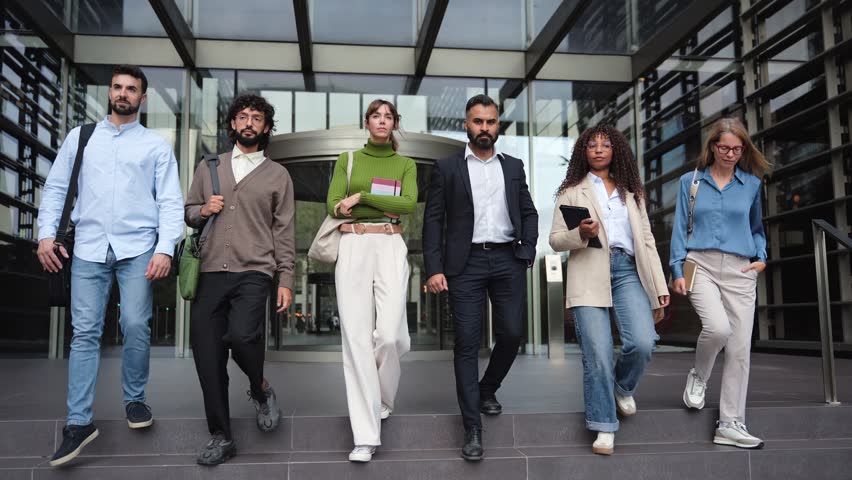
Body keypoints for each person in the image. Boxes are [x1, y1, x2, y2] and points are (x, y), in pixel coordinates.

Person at [37, 65, 184, 467]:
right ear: (110, 92)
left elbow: (170, 201)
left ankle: (135, 399)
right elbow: (55, 187)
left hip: (138, 248)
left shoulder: (155, 146)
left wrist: (165, 248)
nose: (122, 94)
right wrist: (45, 233)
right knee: (84, 332)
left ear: (143, 97)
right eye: (117, 87)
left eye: (131, 89)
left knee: (135, 324)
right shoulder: (81, 138)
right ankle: (79, 422)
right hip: (86, 248)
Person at [422, 94, 538, 461]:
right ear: (466, 125)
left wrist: (527, 249)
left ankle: (487, 388)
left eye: (490, 122)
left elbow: (529, 212)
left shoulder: (514, 166)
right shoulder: (447, 167)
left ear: (498, 124)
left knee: (512, 334)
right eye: (478, 122)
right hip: (465, 264)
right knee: (467, 344)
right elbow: (433, 221)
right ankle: (472, 425)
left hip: (507, 260)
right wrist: (434, 268)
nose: (484, 128)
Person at [184, 94, 295, 465]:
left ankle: (259, 388)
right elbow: (188, 212)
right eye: (243, 116)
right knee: (208, 357)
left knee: (244, 336)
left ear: (265, 127)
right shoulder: (209, 166)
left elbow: (284, 232)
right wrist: (202, 210)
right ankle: (222, 436)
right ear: (233, 124)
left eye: (257, 118)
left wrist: (286, 279)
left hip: (254, 271)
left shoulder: (278, 175)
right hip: (210, 271)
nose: (249, 122)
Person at [548, 125, 669, 455]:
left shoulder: (632, 192)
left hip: (628, 270)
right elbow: (556, 239)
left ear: (616, 150)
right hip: (589, 269)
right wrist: (582, 233)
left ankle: (622, 386)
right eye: (592, 145)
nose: (599, 149)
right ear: (583, 152)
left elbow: (646, 240)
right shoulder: (571, 191)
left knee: (643, 341)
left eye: (605, 144)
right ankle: (603, 425)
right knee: (598, 355)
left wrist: (659, 284)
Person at [670, 117, 769, 449]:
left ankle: (729, 423)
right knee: (717, 328)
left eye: (737, 149)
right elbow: (680, 226)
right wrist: (676, 270)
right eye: (724, 147)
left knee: (740, 349)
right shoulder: (691, 182)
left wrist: (761, 257)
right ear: (712, 146)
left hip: (742, 269)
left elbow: (756, 227)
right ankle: (699, 375)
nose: (730, 154)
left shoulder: (752, 185)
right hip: (702, 264)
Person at [326, 99, 416, 463]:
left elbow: (409, 205)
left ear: (395, 123)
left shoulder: (405, 164)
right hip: (353, 245)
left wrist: (362, 196)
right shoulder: (347, 160)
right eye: (376, 116)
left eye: (388, 116)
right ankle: (365, 436)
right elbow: (333, 204)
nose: (382, 121)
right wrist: (377, 203)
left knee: (392, 334)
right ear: (367, 122)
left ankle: (383, 397)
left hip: (391, 243)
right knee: (356, 340)